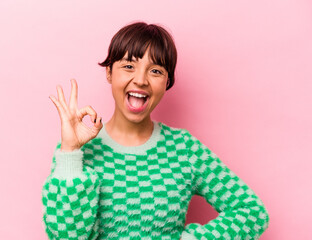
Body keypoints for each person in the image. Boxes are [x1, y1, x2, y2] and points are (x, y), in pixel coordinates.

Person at [42, 21, 270, 239]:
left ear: (167, 81)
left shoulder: (183, 148)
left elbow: (251, 212)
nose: (140, 80)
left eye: (156, 71)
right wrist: (70, 152)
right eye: (129, 66)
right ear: (109, 73)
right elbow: (67, 237)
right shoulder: (78, 151)